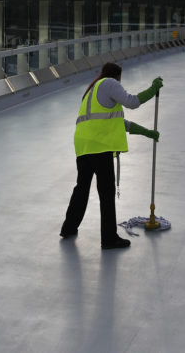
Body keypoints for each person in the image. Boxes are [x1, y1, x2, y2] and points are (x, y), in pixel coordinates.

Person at [60, 62, 162, 249]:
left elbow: (121, 123)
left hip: (83, 145)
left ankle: (68, 228)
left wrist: (147, 132)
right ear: (118, 76)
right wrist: (153, 88)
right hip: (100, 147)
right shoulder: (110, 84)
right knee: (106, 193)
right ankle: (108, 238)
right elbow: (132, 102)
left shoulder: (94, 90)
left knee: (81, 189)